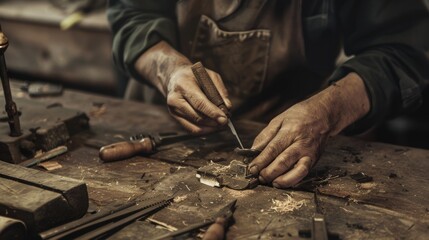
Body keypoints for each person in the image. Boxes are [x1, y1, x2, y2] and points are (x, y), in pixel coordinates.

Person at [107, 0, 429, 188]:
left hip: (288, 142)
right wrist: (169, 69)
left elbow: (403, 50)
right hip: (161, 136)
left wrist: (329, 111)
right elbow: (132, 17)